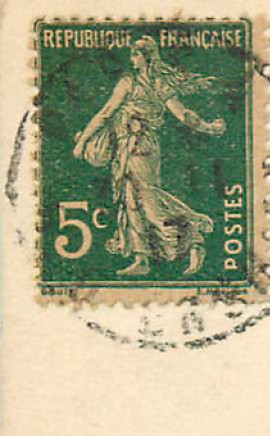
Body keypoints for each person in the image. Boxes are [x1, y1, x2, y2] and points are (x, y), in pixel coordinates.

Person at [70, 36, 226, 276]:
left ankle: (193, 236)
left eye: (136, 54)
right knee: (130, 200)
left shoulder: (133, 83)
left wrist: (82, 141)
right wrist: (208, 127)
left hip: (140, 148)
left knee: (148, 200)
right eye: (132, 54)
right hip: (128, 148)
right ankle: (141, 259)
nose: (132, 58)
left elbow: (181, 114)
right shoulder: (147, 83)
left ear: (146, 57)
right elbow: (108, 114)